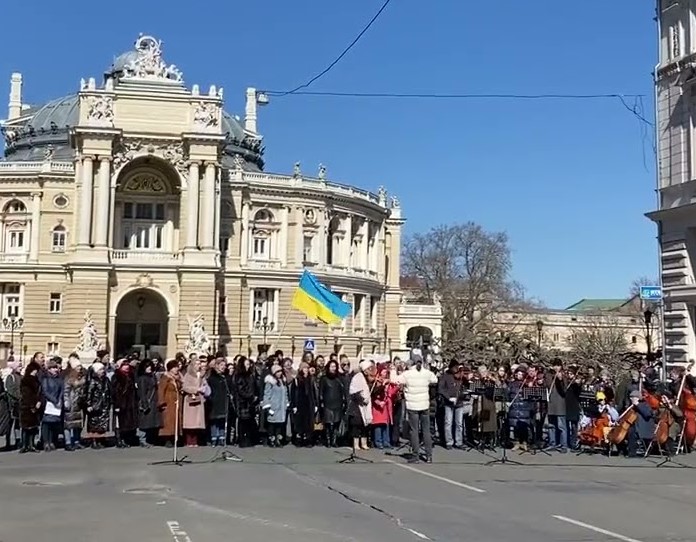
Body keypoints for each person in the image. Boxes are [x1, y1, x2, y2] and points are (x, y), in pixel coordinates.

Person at [395, 352, 437, 463]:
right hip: (424, 405)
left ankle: (416, 455)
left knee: (414, 431)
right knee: (426, 430)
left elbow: (396, 380)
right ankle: (429, 455)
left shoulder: (408, 374)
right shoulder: (427, 373)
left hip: (413, 405)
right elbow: (435, 380)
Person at [262, 364, 290, 447]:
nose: (279, 373)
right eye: (277, 372)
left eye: (280, 371)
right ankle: (271, 439)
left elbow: (285, 393)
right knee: (272, 424)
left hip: (281, 406)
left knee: (279, 424)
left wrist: (286, 402)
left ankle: (278, 439)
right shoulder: (270, 382)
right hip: (274, 406)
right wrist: (267, 406)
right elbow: (267, 394)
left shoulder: (282, 381)